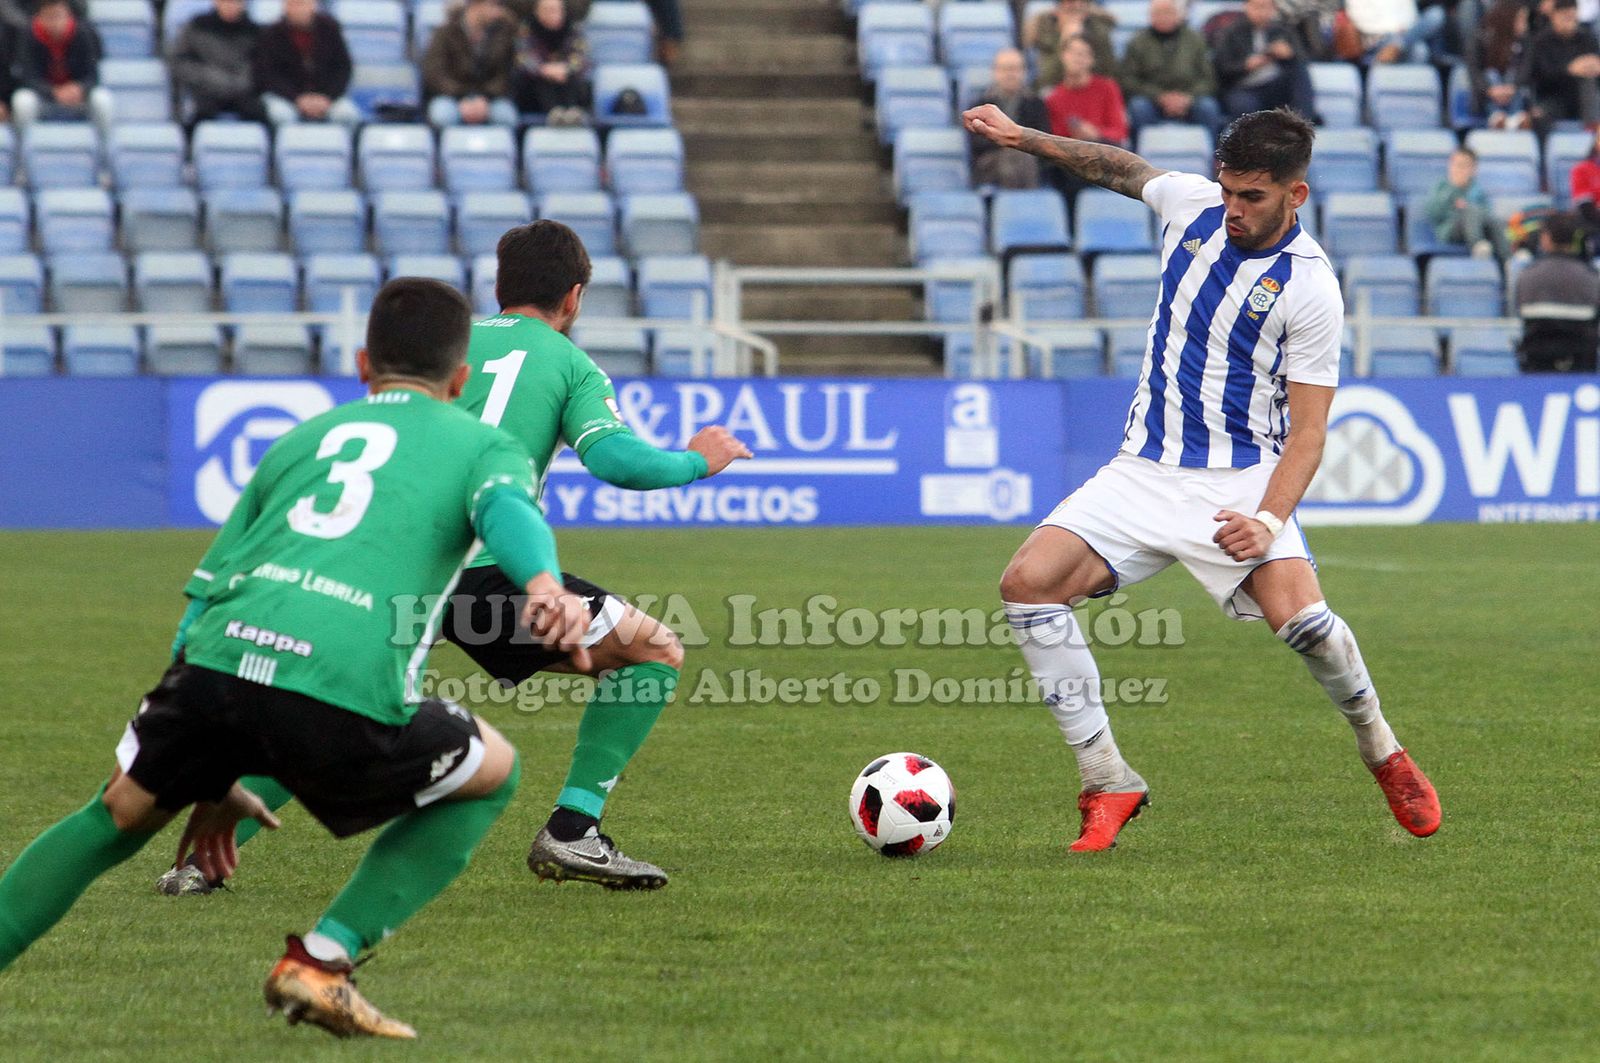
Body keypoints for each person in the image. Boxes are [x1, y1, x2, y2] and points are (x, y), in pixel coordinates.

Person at [0, 277, 594, 1039]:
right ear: (460, 380)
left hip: (215, 666)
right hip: (338, 686)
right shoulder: (483, 443)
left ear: (359, 363)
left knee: (116, 812)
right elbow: (508, 509)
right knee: (493, 770)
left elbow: (205, 592)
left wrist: (204, 750)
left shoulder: (301, 441)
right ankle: (323, 958)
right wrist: (543, 582)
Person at [156, 221, 753, 897]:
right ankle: (573, 827)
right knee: (655, 650)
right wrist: (698, 460)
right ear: (575, 297)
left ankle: (198, 862)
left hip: (382, 564)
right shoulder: (568, 362)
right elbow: (618, 460)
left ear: (499, 288)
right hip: (479, 566)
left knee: (345, 710)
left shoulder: (448, 345)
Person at [961, 101, 1442, 851]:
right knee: (1026, 584)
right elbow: (1116, 165)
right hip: (1142, 471)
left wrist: (1270, 519)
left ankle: (1381, 747)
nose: (1233, 209)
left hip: (1240, 479)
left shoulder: (1310, 287)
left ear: (1296, 194)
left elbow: (1310, 433)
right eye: (1228, 190)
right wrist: (1024, 137)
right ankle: (1107, 777)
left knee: (1309, 630)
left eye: (1252, 196)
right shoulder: (1191, 207)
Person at [1118, 0, 1224, 139]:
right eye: (1158, 13)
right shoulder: (1137, 42)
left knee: (1208, 107)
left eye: (1168, 12)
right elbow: (1128, 80)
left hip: (1190, 97)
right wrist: (1159, 97)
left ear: (1178, 15)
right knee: (1138, 107)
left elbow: (1208, 79)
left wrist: (1187, 98)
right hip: (1151, 99)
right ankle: (1139, 156)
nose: (1163, 17)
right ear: (1150, 16)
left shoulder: (1195, 39)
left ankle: (1212, 157)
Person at [1515, 211, 1600, 372]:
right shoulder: (1592, 278)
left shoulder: (1527, 276)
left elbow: (1521, 313)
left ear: (1546, 238)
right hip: (1582, 370)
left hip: (1537, 370)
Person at [253, 0, 358, 128]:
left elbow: (343, 68)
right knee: (280, 114)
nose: (296, 8)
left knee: (346, 114)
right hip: (286, 97)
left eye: (300, 3)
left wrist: (327, 97)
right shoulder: (272, 33)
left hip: (326, 96)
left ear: (312, 5)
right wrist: (297, 99)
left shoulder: (330, 29)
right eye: (291, 4)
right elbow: (268, 74)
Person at [10, 0, 112, 131]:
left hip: (77, 96)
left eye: (58, 16)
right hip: (43, 97)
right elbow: (28, 77)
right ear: (40, 17)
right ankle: (22, 149)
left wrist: (79, 88)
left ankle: (105, 150)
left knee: (102, 100)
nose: (55, 23)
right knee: (23, 101)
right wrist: (53, 92)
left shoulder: (82, 33)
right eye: (49, 17)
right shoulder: (29, 35)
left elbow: (93, 76)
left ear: (68, 15)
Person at [1213, 0, 1317, 123]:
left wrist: (1290, 54)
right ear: (1246, 7)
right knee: (1243, 106)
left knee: (1299, 73)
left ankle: (1303, 125)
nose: (1262, 12)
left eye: (1267, 7)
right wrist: (1246, 66)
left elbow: (1303, 61)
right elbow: (1220, 68)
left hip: (1274, 85)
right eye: (1258, 7)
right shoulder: (1231, 32)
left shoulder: (1282, 30)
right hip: (1243, 86)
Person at [422, 0, 519, 128]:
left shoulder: (503, 34)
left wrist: (484, 98)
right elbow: (434, 74)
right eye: (493, 5)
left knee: (506, 117)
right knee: (443, 116)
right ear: (476, 5)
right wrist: (462, 96)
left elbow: (505, 75)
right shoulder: (444, 33)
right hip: (451, 97)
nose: (498, 12)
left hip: (490, 98)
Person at [171, 0, 266, 125]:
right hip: (206, 91)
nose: (231, 6)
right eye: (227, 2)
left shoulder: (254, 31)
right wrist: (207, 76)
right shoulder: (198, 27)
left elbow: (264, 65)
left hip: (244, 92)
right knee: (197, 117)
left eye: (236, 2)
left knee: (259, 115)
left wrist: (241, 81)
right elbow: (180, 62)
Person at [971, 47, 1050, 188]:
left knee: (1021, 159)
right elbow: (976, 142)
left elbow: (1043, 138)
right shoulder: (980, 105)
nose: (1010, 74)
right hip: (992, 162)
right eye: (1005, 69)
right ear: (995, 72)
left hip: (1028, 161)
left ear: (1024, 72)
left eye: (1014, 69)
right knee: (1009, 159)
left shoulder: (1036, 104)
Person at [1520, 0, 1600, 130]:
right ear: (1554, 16)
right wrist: (1569, 70)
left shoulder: (1587, 39)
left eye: (1572, 17)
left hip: (1582, 96)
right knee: (1540, 116)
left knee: (1589, 84)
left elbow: (1594, 66)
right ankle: (1543, 150)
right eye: (1565, 17)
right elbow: (1539, 75)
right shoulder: (1541, 41)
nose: (1570, 22)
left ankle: (1593, 139)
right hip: (1553, 97)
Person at [512, 0, 591, 124]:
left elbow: (581, 58)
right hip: (534, 90)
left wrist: (566, 69)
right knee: (542, 80)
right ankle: (554, 114)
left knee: (573, 78)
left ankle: (572, 113)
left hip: (566, 82)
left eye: (556, 10)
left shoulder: (573, 29)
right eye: (547, 10)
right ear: (537, 12)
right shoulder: (526, 29)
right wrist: (542, 69)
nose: (552, 14)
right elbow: (522, 58)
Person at [1425, 148, 1509, 259]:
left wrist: (1467, 206)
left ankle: (1509, 259)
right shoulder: (1442, 187)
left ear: (1473, 170)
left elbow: (1487, 213)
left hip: (1478, 227)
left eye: (1464, 166)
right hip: (1450, 230)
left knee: (1496, 221)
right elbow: (1433, 213)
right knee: (1470, 210)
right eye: (1456, 164)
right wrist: (1454, 189)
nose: (1459, 169)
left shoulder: (1477, 190)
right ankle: (1478, 247)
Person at [1466, 0, 1531, 129]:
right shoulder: (1480, 39)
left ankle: (1513, 117)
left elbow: (1527, 70)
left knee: (1512, 74)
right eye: (1521, 20)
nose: (1525, 25)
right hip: (1487, 94)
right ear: (1508, 19)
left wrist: (1512, 87)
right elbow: (1474, 71)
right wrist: (1490, 90)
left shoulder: (1525, 42)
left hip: (1514, 92)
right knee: (1491, 74)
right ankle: (1497, 116)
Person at [1025, 0, 1116, 92]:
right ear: (1058, 10)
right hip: (1055, 92)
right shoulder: (1045, 30)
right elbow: (1047, 78)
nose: (1077, 6)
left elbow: (1108, 71)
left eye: (1081, 4)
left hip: (1091, 90)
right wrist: (1065, 40)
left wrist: (1083, 43)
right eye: (1070, 4)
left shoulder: (1098, 30)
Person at [1343, 0, 1450, 64]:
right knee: (1420, 50)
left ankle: (1397, 45)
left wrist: (1401, 32)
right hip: (1376, 37)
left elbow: (1411, 15)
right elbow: (1359, 19)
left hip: (1403, 33)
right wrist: (1394, 29)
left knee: (1436, 14)